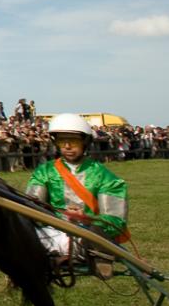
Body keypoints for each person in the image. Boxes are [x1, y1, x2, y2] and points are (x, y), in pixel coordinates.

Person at [25, 114, 129, 268]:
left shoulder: (104, 175)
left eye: (73, 141)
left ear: (85, 142)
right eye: (62, 141)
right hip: (53, 231)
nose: (67, 146)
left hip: (88, 234)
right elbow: (30, 209)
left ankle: (89, 253)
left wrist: (86, 218)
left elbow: (115, 221)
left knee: (95, 236)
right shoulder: (44, 172)